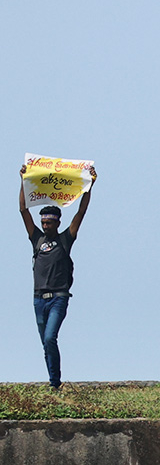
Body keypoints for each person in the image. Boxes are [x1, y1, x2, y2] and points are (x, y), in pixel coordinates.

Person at [19, 164, 98, 389]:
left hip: (58, 298)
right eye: (43, 222)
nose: (45, 225)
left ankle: (55, 383)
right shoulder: (37, 239)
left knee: (50, 338)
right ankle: (54, 383)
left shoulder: (65, 239)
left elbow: (80, 213)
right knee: (45, 343)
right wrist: (23, 181)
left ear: (57, 222)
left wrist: (89, 185)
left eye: (48, 222)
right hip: (38, 299)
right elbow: (23, 211)